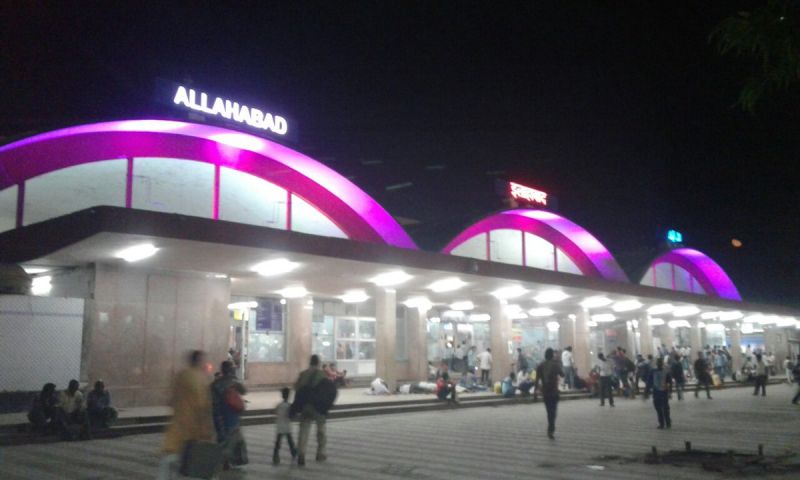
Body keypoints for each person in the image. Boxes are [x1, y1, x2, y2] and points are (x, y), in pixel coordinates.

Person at [159, 350, 214, 480]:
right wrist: (207, 430)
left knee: (170, 460)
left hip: (177, 427)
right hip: (193, 429)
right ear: (199, 362)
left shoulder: (181, 375)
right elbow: (202, 406)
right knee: (191, 464)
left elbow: (171, 400)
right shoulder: (199, 379)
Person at [211, 360, 247, 469]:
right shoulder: (234, 382)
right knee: (233, 438)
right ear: (231, 370)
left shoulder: (215, 384)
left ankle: (223, 461)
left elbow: (211, 399)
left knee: (222, 438)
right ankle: (229, 460)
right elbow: (244, 391)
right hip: (232, 416)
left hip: (219, 416)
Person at [294, 354, 328, 466]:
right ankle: (320, 453)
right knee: (321, 430)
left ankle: (301, 454)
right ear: (318, 363)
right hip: (318, 407)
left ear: (310, 362)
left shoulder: (303, 374)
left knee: (304, 430)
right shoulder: (322, 375)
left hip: (305, 406)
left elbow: (296, 388)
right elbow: (326, 391)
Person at [534, 348, 564, 439]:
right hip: (554, 392)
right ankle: (551, 427)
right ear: (552, 355)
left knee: (549, 411)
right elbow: (562, 374)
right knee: (553, 411)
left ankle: (550, 427)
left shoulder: (540, 365)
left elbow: (536, 380)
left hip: (545, 392)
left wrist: (535, 393)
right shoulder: (555, 365)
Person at [273, 387, 297, 464]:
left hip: (280, 426)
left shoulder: (279, 405)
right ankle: (293, 453)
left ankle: (275, 455)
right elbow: (292, 415)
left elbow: (275, 412)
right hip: (287, 426)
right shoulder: (289, 406)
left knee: (278, 442)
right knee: (290, 441)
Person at [648, 357, 673, 429]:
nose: (659, 364)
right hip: (659, 391)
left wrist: (670, 390)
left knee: (664, 408)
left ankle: (665, 422)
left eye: (660, 362)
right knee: (660, 408)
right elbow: (649, 381)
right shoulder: (654, 371)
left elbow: (669, 381)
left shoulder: (662, 371)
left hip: (662, 391)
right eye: (658, 362)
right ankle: (665, 422)